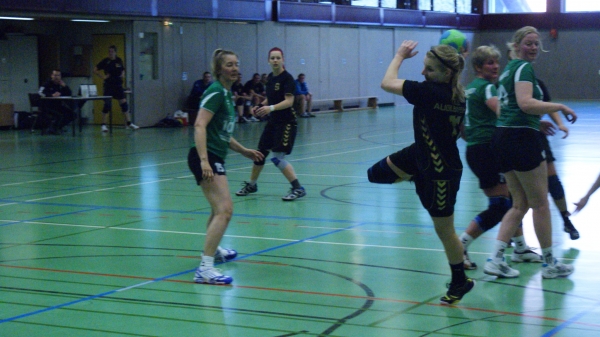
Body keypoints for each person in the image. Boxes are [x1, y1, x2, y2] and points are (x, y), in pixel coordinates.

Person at [368, 40, 473, 305]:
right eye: (424, 68)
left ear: (447, 73)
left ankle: (460, 281)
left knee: (445, 230)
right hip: (420, 156)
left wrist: (400, 55)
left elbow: (386, 82)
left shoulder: (429, 92)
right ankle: (415, 177)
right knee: (375, 174)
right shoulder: (458, 96)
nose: (423, 74)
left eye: (429, 70)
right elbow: (460, 132)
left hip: (441, 172)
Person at [483, 26, 577, 279]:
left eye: (536, 44)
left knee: (520, 204)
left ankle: (495, 259)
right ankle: (550, 264)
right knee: (540, 203)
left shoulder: (507, 71)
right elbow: (525, 103)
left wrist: (537, 120)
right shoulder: (524, 68)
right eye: (529, 43)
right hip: (521, 139)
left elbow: (512, 108)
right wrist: (559, 106)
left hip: (504, 137)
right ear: (517, 44)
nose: (534, 48)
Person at [460, 45, 542, 270]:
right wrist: (529, 120)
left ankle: (520, 247)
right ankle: (461, 245)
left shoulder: (470, 88)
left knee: (512, 202)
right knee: (501, 205)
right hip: (486, 150)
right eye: (489, 63)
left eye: (496, 62)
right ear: (478, 67)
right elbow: (501, 112)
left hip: (478, 149)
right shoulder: (487, 88)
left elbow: (462, 128)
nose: (495, 66)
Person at [188, 48, 264, 284]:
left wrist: (244, 151)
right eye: (229, 65)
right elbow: (199, 125)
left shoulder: (226, 93)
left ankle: (212, 250)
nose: (235, 69)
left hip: (215, 156)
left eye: (237, 64)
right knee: (225, 210)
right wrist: (204, 161)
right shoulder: (215, 92)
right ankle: (205, 269)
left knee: (217, 209)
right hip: (206, 157)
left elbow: (222, 133)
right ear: (219, 69)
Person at [236, 47, 307, 201]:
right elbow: (271, 98)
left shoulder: (287, 79)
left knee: (277, 158)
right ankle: (252, 184)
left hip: (286, 122)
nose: (275, 60)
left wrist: (271, 108)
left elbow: (289, 101)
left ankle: (298, 188)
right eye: (272, 58)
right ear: (268, 61)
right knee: (259, 154)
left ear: (282, 60)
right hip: (273, 122)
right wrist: (261, 105)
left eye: (278, 58)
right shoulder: (270, 78)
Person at [535, 78, 580, 240]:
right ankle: (516, 235)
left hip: (538, 136)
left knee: (553, 181)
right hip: (518, 139)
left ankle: (566, 220)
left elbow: (547, 104)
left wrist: (560, 123)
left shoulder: (537, 82)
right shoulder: (509, 82)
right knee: (522, 191)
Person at [94, 45, 139, 132]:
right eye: (109, 51)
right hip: (109, 85)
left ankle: (129, 123)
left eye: (112, 51)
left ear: (115, 52)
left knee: (124, 104)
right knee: (107, 105)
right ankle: (103, 125)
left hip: (118, 85)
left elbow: (122, 69)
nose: (110, 53)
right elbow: (95, 70)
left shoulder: (119, 60)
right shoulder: (105, 61)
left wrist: (123, 74)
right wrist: (103, 77)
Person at [38, 69, 75, 135]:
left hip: (58, 106)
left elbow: (69, 93)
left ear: (60, 76)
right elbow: (40, 93)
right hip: (47, 106)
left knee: (73, 115)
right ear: (51, 76)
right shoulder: (47, 84)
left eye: (58, 75)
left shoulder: (60, 85)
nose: (56, 77)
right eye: (55, 75)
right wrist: (51, 95)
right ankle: (54, 128)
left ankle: (56, 127)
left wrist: (65, 86)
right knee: (60, 115)